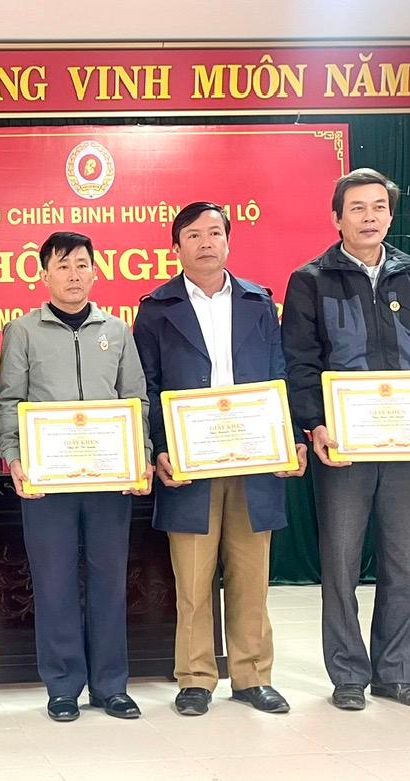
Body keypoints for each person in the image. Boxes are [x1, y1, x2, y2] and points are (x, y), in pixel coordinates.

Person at [282, 168, 410, 711]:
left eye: (379, 207)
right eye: (357, 208)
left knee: (405, 563)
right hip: (343, 445)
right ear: (336, 217)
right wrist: (315, 422)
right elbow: (300, 360)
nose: (369, 217)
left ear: (390, 214)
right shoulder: (311, 279)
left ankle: (396, 674)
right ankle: (347, 676)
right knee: (340, 563)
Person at [133, 202, 307, 718]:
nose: (205, 242)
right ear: (176, 247)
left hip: (254, 458)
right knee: (192, 579)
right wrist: (159, 447)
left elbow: (280, 374)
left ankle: (253, 676)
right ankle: (195, 678)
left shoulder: (258, 302)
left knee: (252, 576)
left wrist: (288, 438)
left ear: (228, 241)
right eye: (193, 235)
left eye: (214, 233)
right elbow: (147, 385)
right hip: (190, 463)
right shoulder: (156, 309)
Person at [0, 231, 152, 722]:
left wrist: (142, 456)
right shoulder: (22, 331)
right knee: (54, 582)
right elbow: (9, 400)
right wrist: (13, 457)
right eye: (62, 265)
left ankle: (111, 685)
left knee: (109, 582)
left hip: (109, 479)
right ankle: (62, 686)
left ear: (95, 272)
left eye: (82, 264)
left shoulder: (118, 331)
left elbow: (136, 400)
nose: (73, 274)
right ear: (44, 275)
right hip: (47, 480)